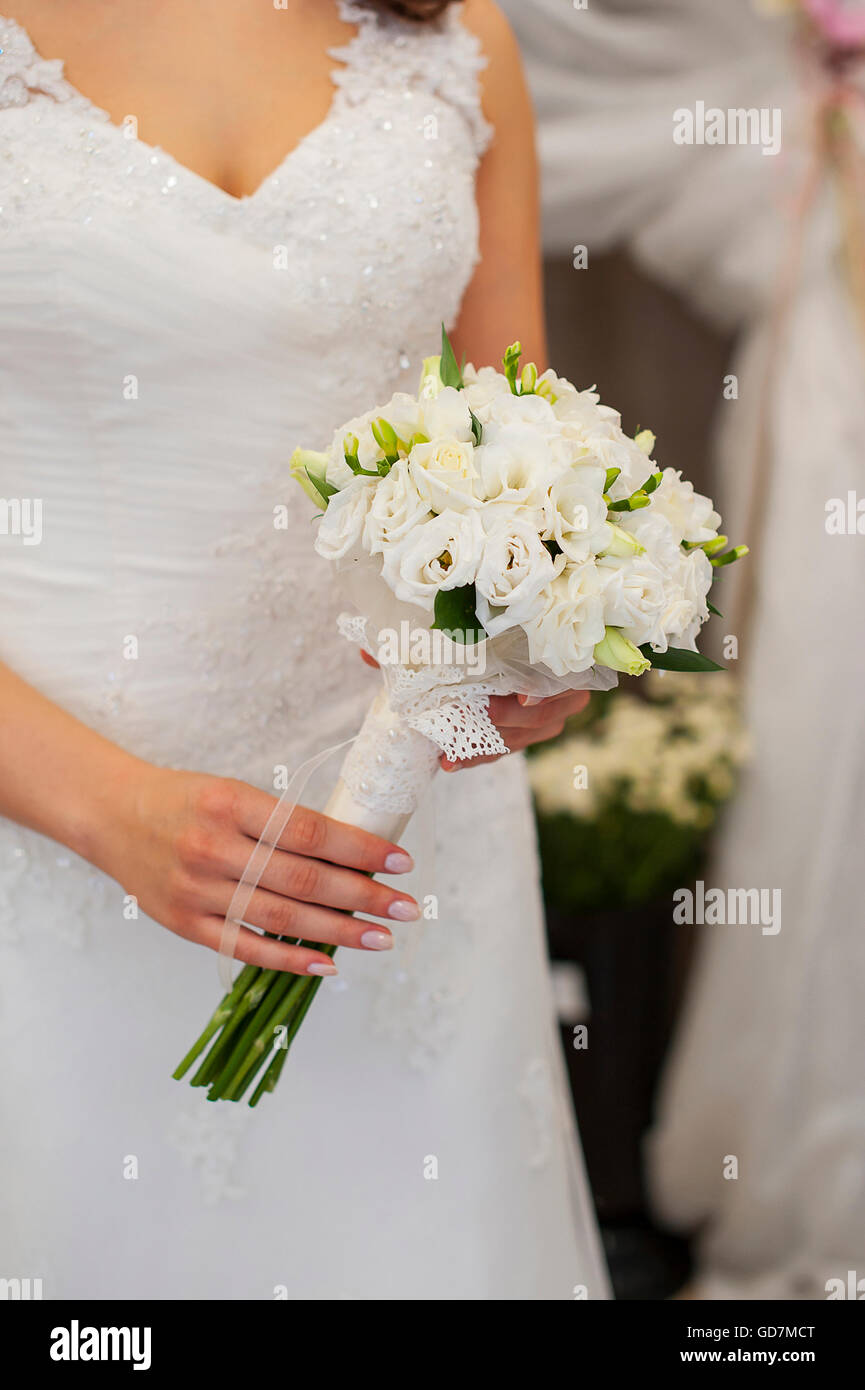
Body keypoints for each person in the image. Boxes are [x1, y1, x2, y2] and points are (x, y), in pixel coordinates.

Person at [0, 0, 609, 1298]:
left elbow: (521, 454)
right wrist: (109, 811)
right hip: (45, 834)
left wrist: (534, 638)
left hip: (398, 846)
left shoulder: (453, 36)